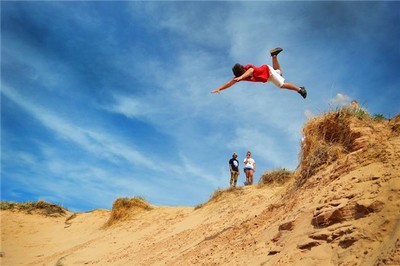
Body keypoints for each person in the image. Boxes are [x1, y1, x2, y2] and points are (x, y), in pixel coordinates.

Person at [211, 48, 307, 99]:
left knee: (281, 85)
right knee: (279, 73)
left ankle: (300, 89)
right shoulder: (239, 77)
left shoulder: (247, 67)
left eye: (242, 75)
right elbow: (230, 83)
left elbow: (251, 71)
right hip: (267, 78)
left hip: (268, 71)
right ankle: (274, 55)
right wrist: (219, 89)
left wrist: (241, 78)